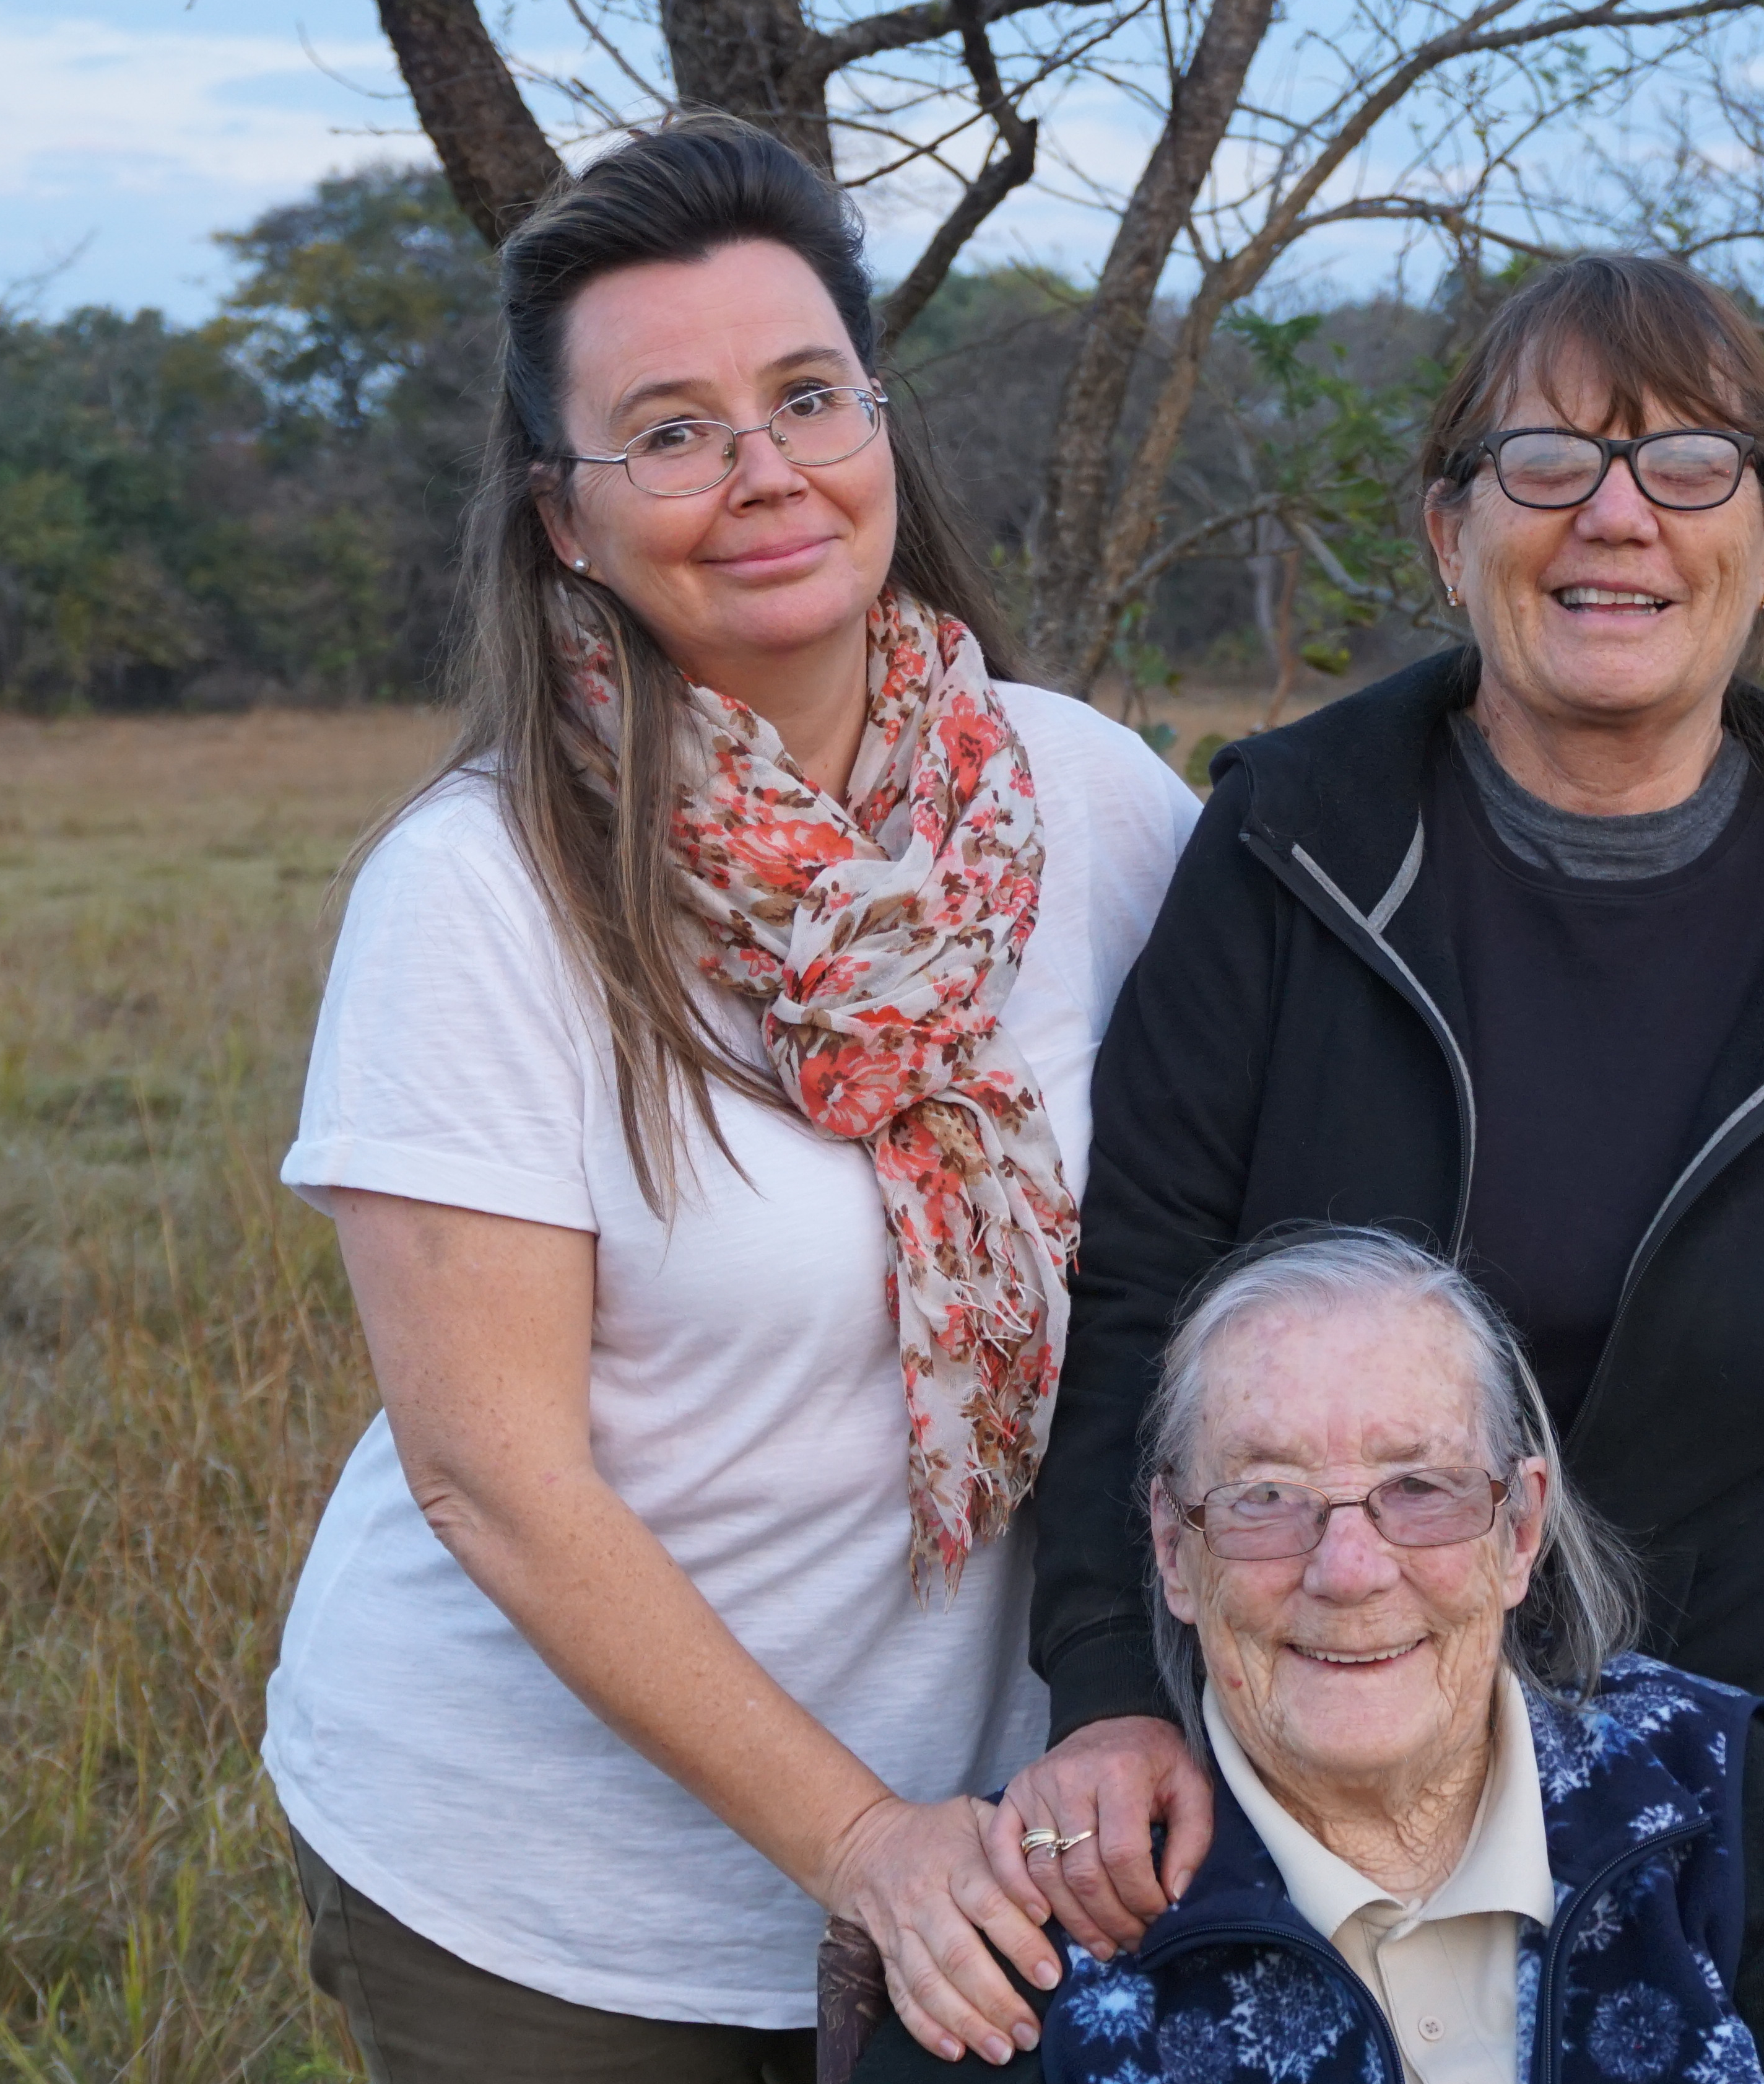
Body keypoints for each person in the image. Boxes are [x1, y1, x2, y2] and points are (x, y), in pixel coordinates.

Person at [1004, 253, 1764, 1963]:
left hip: (1736, 1773)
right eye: (1548, 460)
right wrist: (1107, 1686)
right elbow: (1134, 1292)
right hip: (1305, 1762)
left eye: (1691, 465)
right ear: (1452, 533)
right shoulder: (1292, 847)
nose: (1617, 515)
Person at [261, 115, 1200, 2080]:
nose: (764, 469)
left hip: (1009, 1832)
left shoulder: (1089, 798)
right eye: (671, 431)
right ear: (563, 515)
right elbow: (494, 1479)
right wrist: (859, 1840)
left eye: (806, 397)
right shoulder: (481, 890)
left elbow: (1304, 1172)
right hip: (556, 1889)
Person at [856, 1230, 1764, 2081]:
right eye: (1266, 1496)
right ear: (1174, 1551)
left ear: (1520, 1529)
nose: (1350, 1568)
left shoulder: (1709, 1786)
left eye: (1420, 1487)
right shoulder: (1033, 1925)